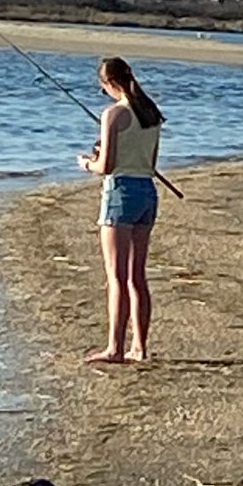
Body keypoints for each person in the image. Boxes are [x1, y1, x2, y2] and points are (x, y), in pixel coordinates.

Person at [76, 57, 164, 363]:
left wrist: (87, 162)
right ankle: (140, 347)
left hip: (121, 192)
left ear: (109, 83)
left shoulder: (114, 114)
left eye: (103, 88)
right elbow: (150, 162)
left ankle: (115, 347)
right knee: (137, 276)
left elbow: (106, 167)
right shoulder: (151, 113)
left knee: (116, 276)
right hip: (147, 193)